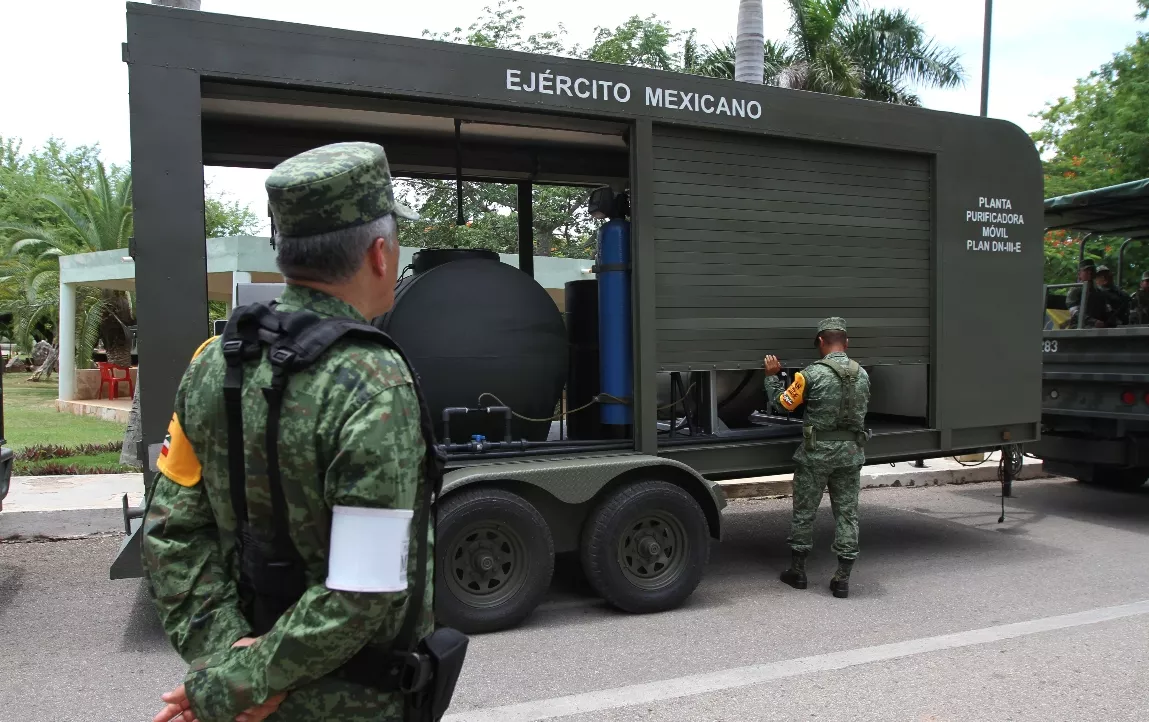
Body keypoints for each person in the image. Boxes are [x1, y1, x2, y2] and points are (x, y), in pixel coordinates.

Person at [142, 141, 441, 722]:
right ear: (380, 253)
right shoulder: (374, 383)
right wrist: (251, 679)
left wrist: (228, 667)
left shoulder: (214, 362)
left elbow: (172, 532)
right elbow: (364, 589)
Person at [763, 317, 871, 599]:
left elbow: (782, 404)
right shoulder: (863, 375)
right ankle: (843, 579)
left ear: (821, 342)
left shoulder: (809, 375)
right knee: (847, 514)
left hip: (816, 455)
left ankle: (798, 572)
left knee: (805, 513)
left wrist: (772, 377)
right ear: (846, 343)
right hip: (850, 455)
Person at [1066, 260, 1109, 328]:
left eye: (1092, 270)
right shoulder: (1075, 290)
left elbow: (1105, 310)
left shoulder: (1099, 292)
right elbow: (1074, 312)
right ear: (1079, 274)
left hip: (1098, 327)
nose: (1090, 272)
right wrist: (1092, 321)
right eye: (1086, 270)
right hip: (1078, 326)